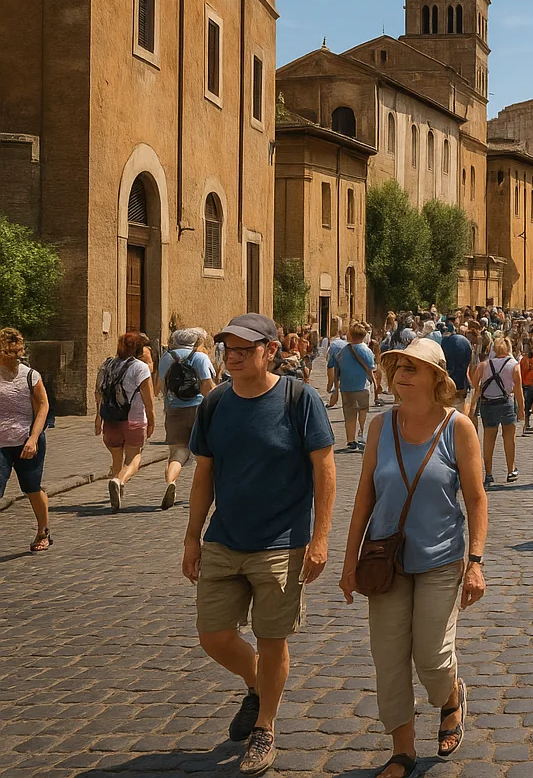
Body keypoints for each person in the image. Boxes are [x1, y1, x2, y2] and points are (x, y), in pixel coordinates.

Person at [183, 314, 336, 776]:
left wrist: (320, 536)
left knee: (273, 639)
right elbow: (203, 474)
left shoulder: (299, 399)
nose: (234, 355)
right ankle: (257, 685)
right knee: (213, 636)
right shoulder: (214, 405)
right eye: (229, 347)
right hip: (224, 538)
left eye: (245, 348)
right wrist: (192, 536)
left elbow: (324, 469)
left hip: (282, 542)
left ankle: (264, 727)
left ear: (271, 350)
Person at [339, 338, 487, 778]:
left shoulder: (459, 427)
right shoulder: (381, 427)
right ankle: (402, 751)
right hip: (386, 560)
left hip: (441, 558)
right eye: (398, 366)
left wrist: (475, 562)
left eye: (412, 367)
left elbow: (477, 499)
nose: (402, 373)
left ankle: (450, 697)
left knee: (432, 658)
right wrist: (349, 564)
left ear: (437, 379)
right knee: (388, 659)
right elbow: (364, 497)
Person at [0, 328, 51, 553]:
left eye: (15, 356)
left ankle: (43, 531)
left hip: (26, 440)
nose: (12, 360)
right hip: (1, 442)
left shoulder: (30, 376)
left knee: (31, 488)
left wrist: (33, 438)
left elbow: (43, 406)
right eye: (7, 356)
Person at [97, 332, 156, 511]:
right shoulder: (140, 367)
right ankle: (119, 480)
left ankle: (117, 490)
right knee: (134, 457)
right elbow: (149, 399)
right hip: (134, 419)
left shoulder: (106, 364)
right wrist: (152, 421)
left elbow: (99, 391)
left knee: (116, 456)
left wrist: (98, 418)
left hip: (110, 418)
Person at [158, 328, 215, 509]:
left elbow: (160, 387)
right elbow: (207, 387)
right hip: (198, 409)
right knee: (204, 453)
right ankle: (200, 491)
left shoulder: (166, 358)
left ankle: (171, 481)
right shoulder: (200, 358)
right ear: (195, 341)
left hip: (174, 410)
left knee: (178, 452)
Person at [467, 337, 523, 484]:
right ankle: (511, 470)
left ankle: (489, 473)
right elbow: (518, 390)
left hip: (488, 404)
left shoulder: (484, 365)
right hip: (506, 403)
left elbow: (474, 383)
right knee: (509, 438)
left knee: (488, 439)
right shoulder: (514, 365)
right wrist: (521, 409)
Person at [329, 323, 377, 454]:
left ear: (350, 335)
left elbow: (336, 366)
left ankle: (351, 439)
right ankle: (361, 433)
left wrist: (335, 387)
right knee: (363, 411)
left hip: (346, 387)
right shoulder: (366, 350)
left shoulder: (343, 350)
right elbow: (372, 367)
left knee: (349, 414)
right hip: (362, 386)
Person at [441, 324, 474, 411]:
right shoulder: (465, 342)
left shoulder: (445, 342)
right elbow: (470, 363)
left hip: (446, 385)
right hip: (461, 385)